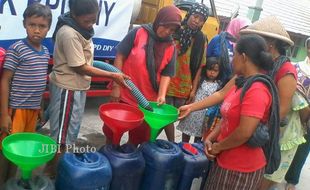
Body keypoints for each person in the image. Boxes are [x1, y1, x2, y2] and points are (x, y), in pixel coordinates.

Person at [45, 0, 129, 178]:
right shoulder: (69, 33)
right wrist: (113, 76)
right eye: (87, 21)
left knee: (68, 133)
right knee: (61, 137)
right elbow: (79, 66)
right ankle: (52, 174)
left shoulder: (79, 28)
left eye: (94, 19)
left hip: (76, 88)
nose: (92, 24)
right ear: (74, 15)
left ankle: (60, 169)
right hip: (67, 89)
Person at [181, 34, 276, 189]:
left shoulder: (257, 89)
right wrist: (210, 136)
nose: (232, 60)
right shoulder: (240, 79)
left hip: (240, 169)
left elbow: (244, 132)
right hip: (223, 159)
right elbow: (222, 99)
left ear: (244, 57)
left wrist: (219, 147)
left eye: (235, 55)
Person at [240, 16, 307, 190]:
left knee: (265, 177)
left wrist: (251, 129)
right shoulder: (263, 64)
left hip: (278, 133)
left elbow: (281, 112)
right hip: (258, 126)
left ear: (270, 44)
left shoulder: (285, 71)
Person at [107, 5, 182, 145]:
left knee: (138, 139)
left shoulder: (171, 47)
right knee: (112, 132)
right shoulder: (138, 33)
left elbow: (167, 74)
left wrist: (162, 95)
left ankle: (129, 158)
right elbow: (120, 56)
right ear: (159, 21)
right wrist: (116, 86)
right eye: (165, 26)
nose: (167, 32)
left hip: (147, 103)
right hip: (125, 94)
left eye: (172, 30)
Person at [0, 3, 52, 186]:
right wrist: (4, 114)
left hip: (32, 111)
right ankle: (3, 183)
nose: (36, 30)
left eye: (42, 26)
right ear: (24, 24)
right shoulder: (17, 49)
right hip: (16, 110)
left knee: (21, 151)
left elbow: (39, 82)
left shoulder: (45, 52)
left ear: (48, 28)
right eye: (32, 25)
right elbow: (5, 80)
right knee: (7, 150)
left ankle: (13, 183)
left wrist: (40, 107)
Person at [165, 3, 209, 142]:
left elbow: (200, 67)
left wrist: (193, 90)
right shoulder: (175, 31)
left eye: (201, 19)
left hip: (184, 87)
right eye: (195, 16)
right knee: (165, 117)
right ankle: (170, 143)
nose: (197, 21)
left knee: (176, 118)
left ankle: (170, 145)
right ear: (189, 14)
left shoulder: (201, 39)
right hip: (167, 83)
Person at [176, 57, 222, 142]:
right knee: (186, 131)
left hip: (205, 115)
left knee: (199, 134)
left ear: (219, 72)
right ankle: (183, 145)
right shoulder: (201, 80)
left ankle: (195, 149)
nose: (212, 72)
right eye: (210, 69)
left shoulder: (219, 85)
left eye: (215, 71)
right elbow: (196, 79)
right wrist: (201, 67)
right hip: (193, 112)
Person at [285, 37, 310, 190]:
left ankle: (292, 179)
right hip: (292, 114)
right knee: (286, 143)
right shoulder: (296, 67)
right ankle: (277, 171)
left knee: (303, 148)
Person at [207, 17, 251, 85]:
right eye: (243, 28)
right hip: (211, 81)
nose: (245, 32)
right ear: (236, 26)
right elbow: (205, 59)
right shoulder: (218, 39)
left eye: (248, 30)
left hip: (230, 84)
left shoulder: (244, 46)